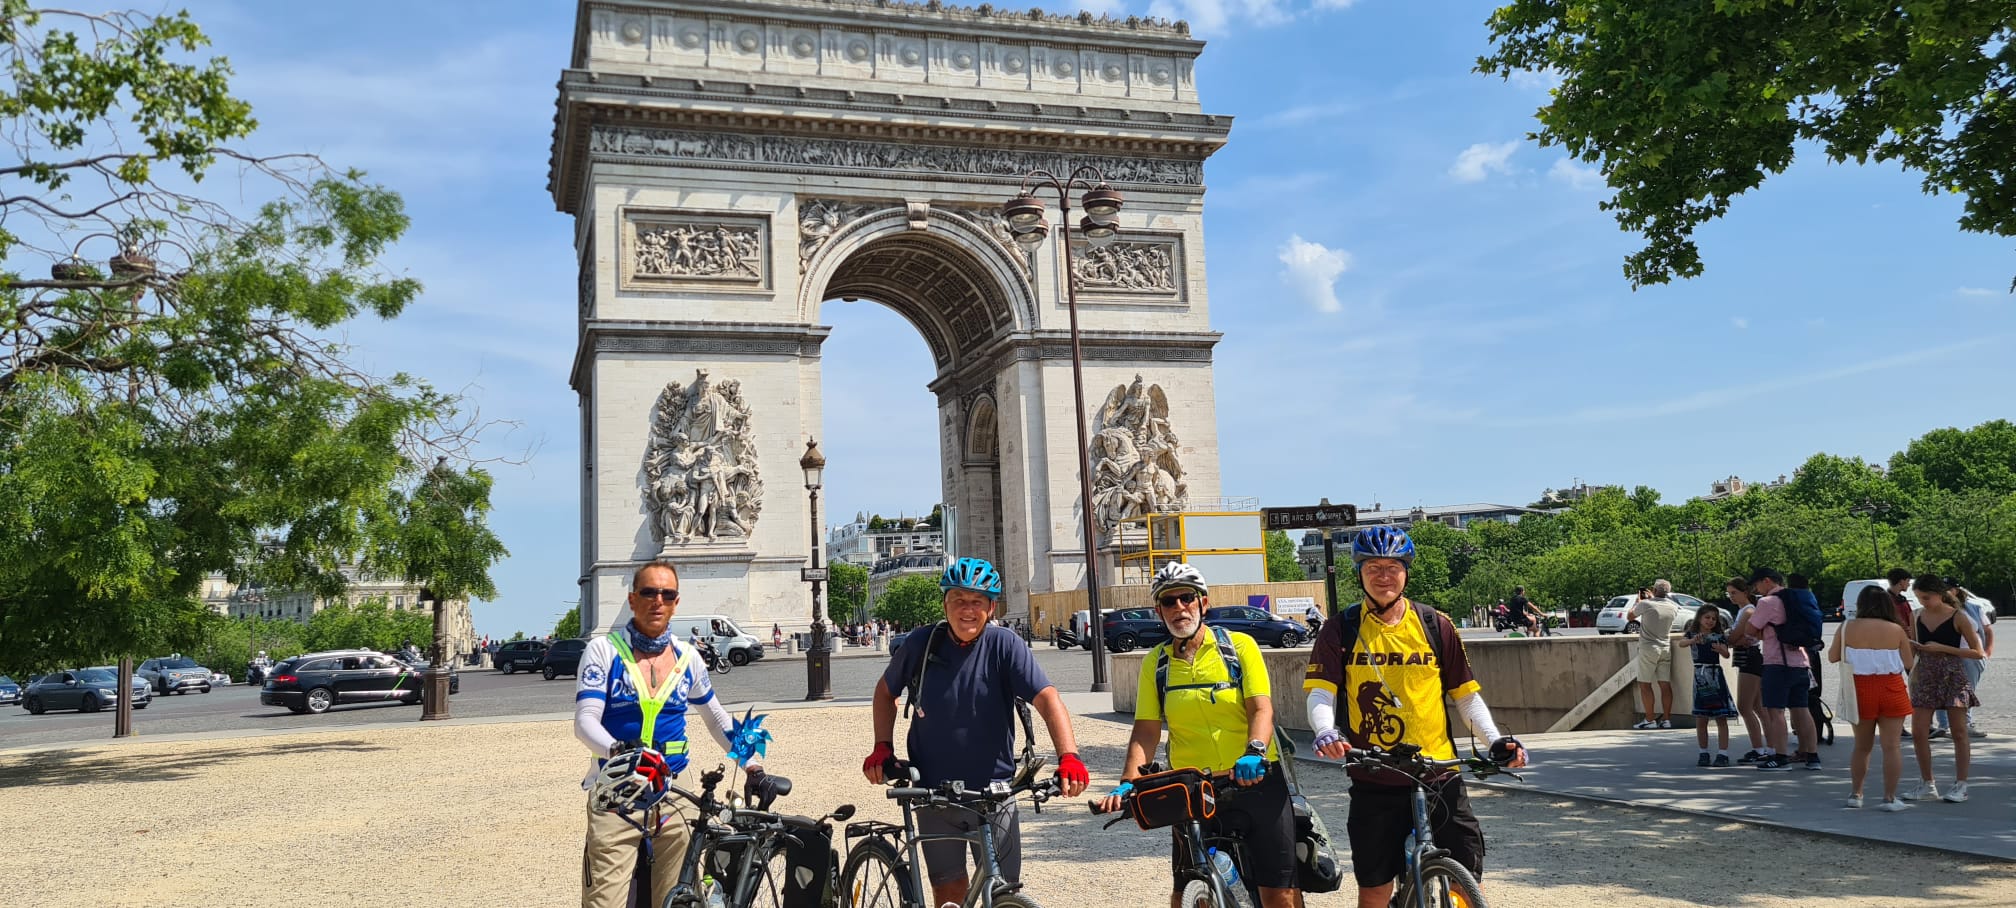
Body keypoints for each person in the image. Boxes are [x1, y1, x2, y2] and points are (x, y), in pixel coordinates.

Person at [1304, 526, 1527, 908]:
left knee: (1466, 883)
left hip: (1439, 771)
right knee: (1375, 889)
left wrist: (1495, 741)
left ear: (1406, 572)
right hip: (1375, 773)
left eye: (1393, 567)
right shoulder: (1341, 628)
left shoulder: (1435, 625)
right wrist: (1326, 730)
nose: (1383, 575)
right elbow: (1321, 692)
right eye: (1373, 567)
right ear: (1359, 573)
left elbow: (1466, 697)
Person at [861, 557, 1090, 908]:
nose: (967, 610)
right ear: (945, 604)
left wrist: (1069, 755)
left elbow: (1046, 697)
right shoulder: (922, 644)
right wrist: (882, 747)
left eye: (977, 602)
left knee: (1003, 892)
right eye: (958, 600)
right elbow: (884, 692)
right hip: (935, 793)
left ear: (991, 607)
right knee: (949, 892)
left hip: (994, 791)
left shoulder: (1005, 645)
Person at [1097, 562, 1301, 908]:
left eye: (1187, 598)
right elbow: (1146, 730)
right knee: (1185, 892)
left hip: (1254, 780)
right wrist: (1128, 781)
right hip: (1192, 791)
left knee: (1279, 894)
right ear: (1159, 611)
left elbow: (1261, 709)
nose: (1179, 608)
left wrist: (1254, 751)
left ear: (1203, 604)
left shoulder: (1239, 647)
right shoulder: (1156, 664)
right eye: (1169, 602)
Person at [574, 560, 762, 908]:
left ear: (676, 602)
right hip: (617, 789)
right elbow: (585, 721)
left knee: (677, 898)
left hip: (675, 789)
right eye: (648, 592)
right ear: (632, 600)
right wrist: (618, 751)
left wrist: (751, 764)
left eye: (667, 593)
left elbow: (716, 718)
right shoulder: (603, 651)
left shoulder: (688, 658)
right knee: (605, 901)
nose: (657, 600)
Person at [1828, 586, 1915, 811]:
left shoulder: (1847, 627)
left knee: (1862, 746)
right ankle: (1889, 797)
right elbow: (1908, 663)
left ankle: (1856, 794)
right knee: (1892, 746)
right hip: (1891, 687)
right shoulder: (1896, 629)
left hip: (1860, 689)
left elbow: (1833, 656)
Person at [1904, 575, 1985, 803]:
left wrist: (1944, 648)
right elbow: (1912, 649)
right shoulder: (1916, 615)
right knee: (1919, 732)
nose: (1923, 602)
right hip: (1926, 673)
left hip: (1952, 673)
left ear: (1940, 594)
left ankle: (1961, 784)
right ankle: (1927, 783)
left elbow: (1978, 652)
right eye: (1919, 597)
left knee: (1959, 732)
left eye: (1926, 597)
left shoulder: (1959, 616)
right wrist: (1911, 653)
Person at [1738, 568, 1818, 771]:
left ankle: (1780, 758)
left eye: (1756, 584)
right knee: (1802, 710)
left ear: (1767, 581)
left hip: (1777, 662)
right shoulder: (1798, 598)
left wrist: (1764, 632)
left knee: (1776, 711)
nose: (1756, 590)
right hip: (1801, 661)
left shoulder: (1768, 602)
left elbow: (1749, 630)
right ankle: (1812, 756)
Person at [1931, 582, 1993, 739]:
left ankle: (1965, 724)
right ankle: (1944, 725)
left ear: (1956, 590)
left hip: (1970, 656)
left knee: (1966, 691)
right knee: (1942, 690)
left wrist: (1987, 651)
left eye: (1947, 588)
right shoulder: (1936, 609)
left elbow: (1986, 630)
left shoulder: (1973, 608)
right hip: (1946, 656)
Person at [1680, 606, 1737, 766]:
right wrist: (1693, 640)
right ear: (1699, 618)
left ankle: (1723, 753)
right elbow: (1682, 643)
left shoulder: (1718, 636)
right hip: (1700, 675)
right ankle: (1703, 752)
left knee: (1721, 717)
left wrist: (1721, 649)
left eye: (1713, 618)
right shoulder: (1693, 634)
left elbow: (1726, 654)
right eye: (1707, 617)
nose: (1710, 621)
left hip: (1715, 675)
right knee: (1701, 717)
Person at [1722, 578, 1769, 762]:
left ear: (1745, 592)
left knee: (1745, 706)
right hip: (1748, 657)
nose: (1731, 597)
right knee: (1758, 707)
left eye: (1734, 593)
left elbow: (1732, 638)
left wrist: (1731, 638)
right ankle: (1768, 748)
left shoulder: (1748, 611)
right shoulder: (1743, 611)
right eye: (1729, 593)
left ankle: (1760, 749)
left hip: (1749, 658)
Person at [1624, 581, 1681, 729]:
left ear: (1654, 590)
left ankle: (1650, 719)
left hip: (1648, 647)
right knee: (1665, 684)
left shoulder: (1646, 604)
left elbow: (1630, 617)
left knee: (1645, 684)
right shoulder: (1673, 607)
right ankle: (1667, 719)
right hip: (1665, 648)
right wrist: (1653, 597)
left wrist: (1638, 602)